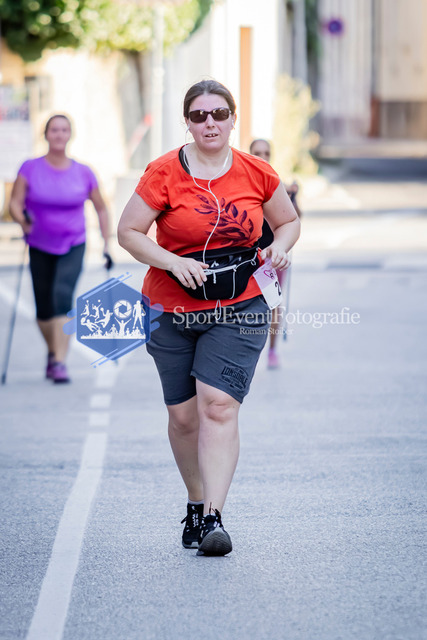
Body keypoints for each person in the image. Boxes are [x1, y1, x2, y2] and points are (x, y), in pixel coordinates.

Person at [118, 79, 300, 556]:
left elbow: (288, 221)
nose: (210, 123)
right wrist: (171, 261)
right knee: (183, 418)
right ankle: (196, 504)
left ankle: (214, 518)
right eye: (199, 115)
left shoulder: (257, 172)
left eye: (219, 114)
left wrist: (280, 247)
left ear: (233, 119)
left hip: (240, 304)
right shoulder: (163, 173)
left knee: (217, 405)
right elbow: (128, 231)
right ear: (188, 122)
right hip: (171, 307)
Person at [9, 114, 111, 383]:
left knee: (62, 296)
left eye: (64, 130)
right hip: (39, 243)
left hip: (73, 243)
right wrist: (22, 221)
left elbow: (101, 208)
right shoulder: (30, 168)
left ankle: (59, 361)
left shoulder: (84, 172)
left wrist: (106, 242)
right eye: (54, 130)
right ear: (46, 134)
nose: (59, 134)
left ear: (70, 135)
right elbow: (15, 203)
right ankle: (53, 350)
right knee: (43, 309)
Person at [249, 138, 302, 369]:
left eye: (266, 153)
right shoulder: (243, 181)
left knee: (273, 303)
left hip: (273, 255)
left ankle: (272, 350)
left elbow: (294, 218)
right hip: (248, 254)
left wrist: (292, 197)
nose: (262, 157)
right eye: (257, 152)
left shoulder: (276, 183)